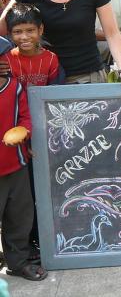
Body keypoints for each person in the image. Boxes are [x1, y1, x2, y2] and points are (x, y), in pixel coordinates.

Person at [1, 3, 65, 259]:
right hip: (13, 131)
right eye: (17, 32)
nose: (24, 37)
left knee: (40, 190)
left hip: (41, 128)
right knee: (20, 194)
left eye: (30, 31)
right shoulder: (6, 61)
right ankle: (23, 244)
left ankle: (39, 240)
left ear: (41, 30)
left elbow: (54, 100)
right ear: (10, 34)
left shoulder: (51, 60)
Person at [0, 70, 47, 280]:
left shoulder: (14, 87)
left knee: (19, 218)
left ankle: (17, 263)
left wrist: (25, 133)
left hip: (16, 165)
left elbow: (26, 117)